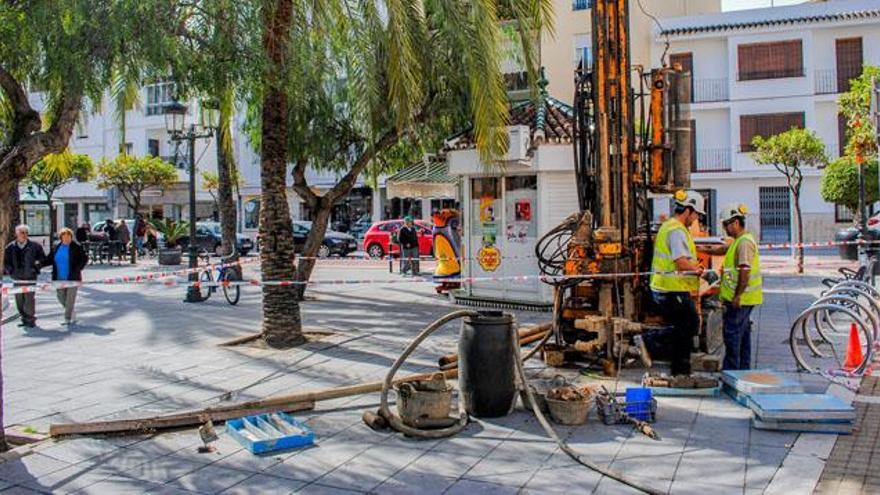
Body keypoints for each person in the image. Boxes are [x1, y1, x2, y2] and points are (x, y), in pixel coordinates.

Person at [640, 190, 705, 376]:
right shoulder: (676, 230)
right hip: (670, 289)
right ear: (688, 210)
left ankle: (681, 371)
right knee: (691, 324)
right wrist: (697, 270)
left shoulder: (669, 226)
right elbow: (681, 262)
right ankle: (648, 340)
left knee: (682, 331)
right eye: (696, 214)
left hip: (668, 288)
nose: (696, 219)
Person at [702, 204, 763, 370]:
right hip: (741, 299)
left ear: (735, 223)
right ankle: (743, 372)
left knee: (732, 337)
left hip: (741, 300)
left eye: (726, 224)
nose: (725, 229)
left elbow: (745, 270)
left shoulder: (744, 243)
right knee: (742, 337)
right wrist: (698, 248)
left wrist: (738, 296)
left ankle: (731, 374)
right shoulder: (738, 242)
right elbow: (721, 249)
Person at [3, 225, 47, 327]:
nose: (24, 235)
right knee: (19, 300)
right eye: (22, 232)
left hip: (30, 277)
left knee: (29, 299)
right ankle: (24, 318)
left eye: (26, 232)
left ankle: (30, 320)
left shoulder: (35, 246)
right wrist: (10, 271)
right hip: (17, 278)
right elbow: (6, 262)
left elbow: (42, 259)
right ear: (16, 234)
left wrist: (36, 267)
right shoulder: (10, 247)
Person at [46, 228, 88, 325]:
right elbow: (49, 259)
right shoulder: (57, 247)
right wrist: (38, 264)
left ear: (71, 237)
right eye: (64, 236)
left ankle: (67, 318)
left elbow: (84, 258)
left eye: (68, 236)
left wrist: (78, 268)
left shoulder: (76, 247)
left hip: (72, 277)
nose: (66, 238)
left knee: (70, 299)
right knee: (60, 297)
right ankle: (71, 312)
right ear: (61, 237)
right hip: (59, 277)